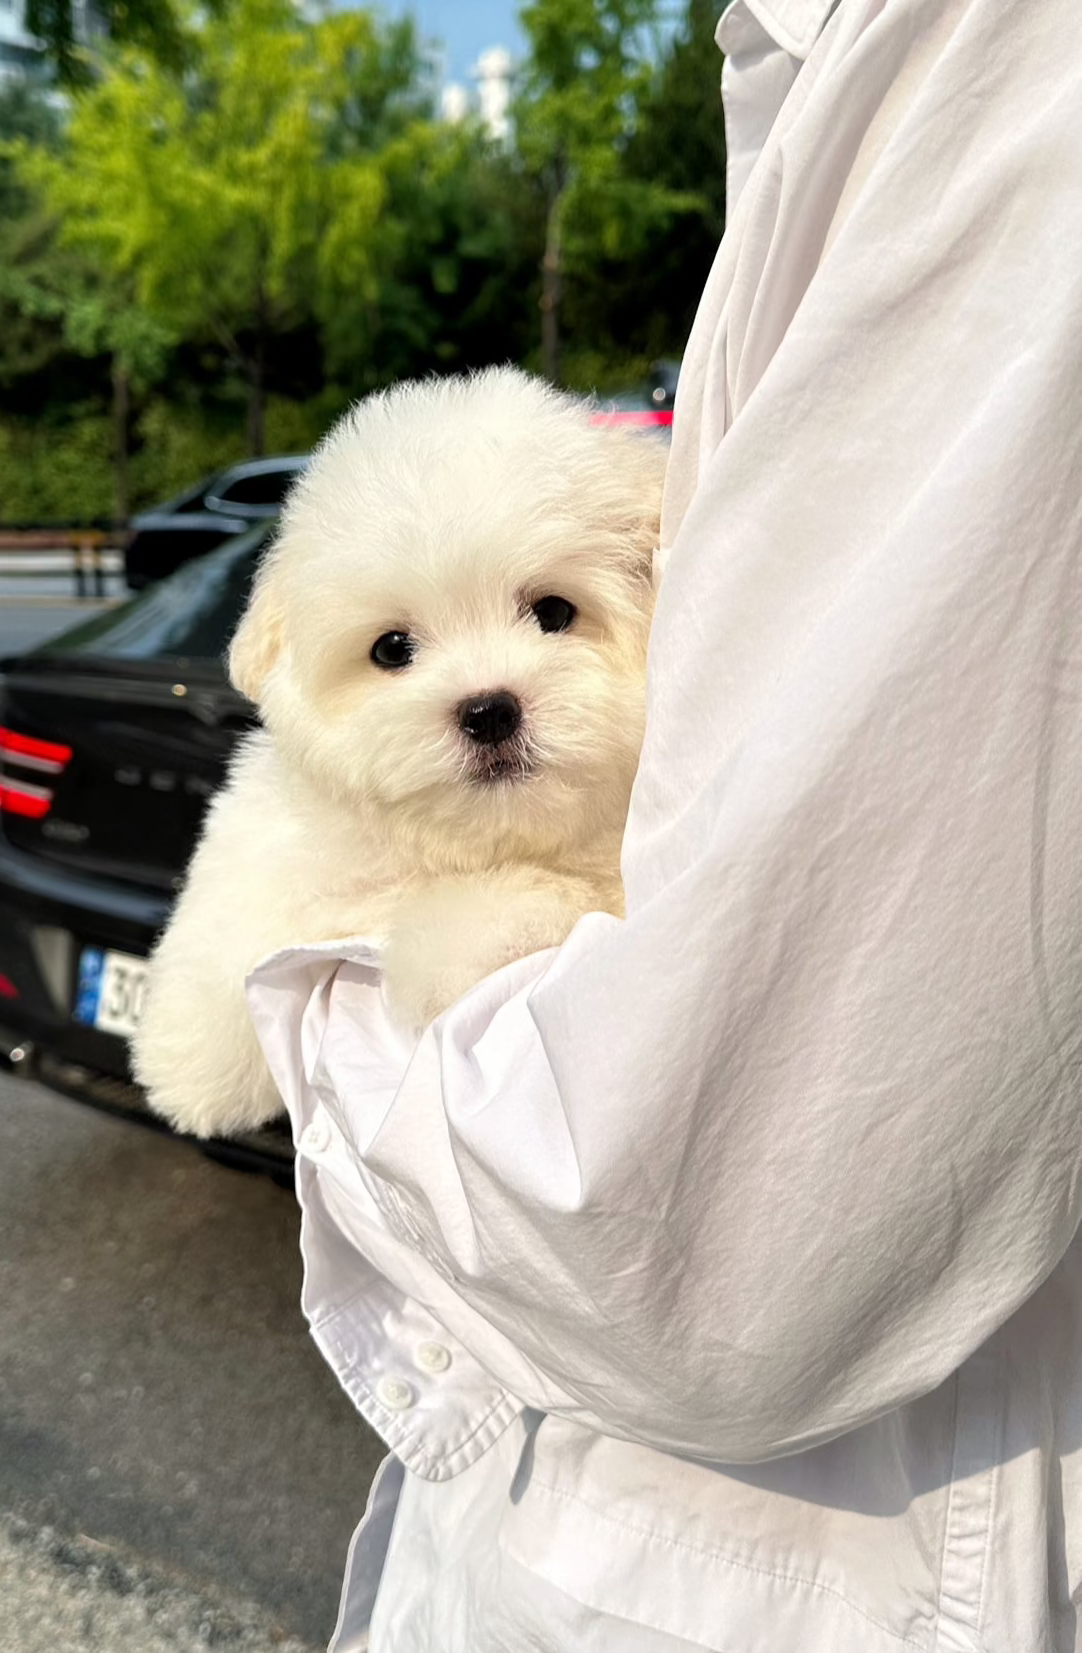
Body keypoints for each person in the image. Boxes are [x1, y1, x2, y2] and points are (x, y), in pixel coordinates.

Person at [247, 0, 1082, 1646]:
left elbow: (692, 1238)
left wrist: (308, 1007)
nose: (481, 688)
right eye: (401, 652)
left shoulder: (986, 62)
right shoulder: (801, 64)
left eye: (549, 612)